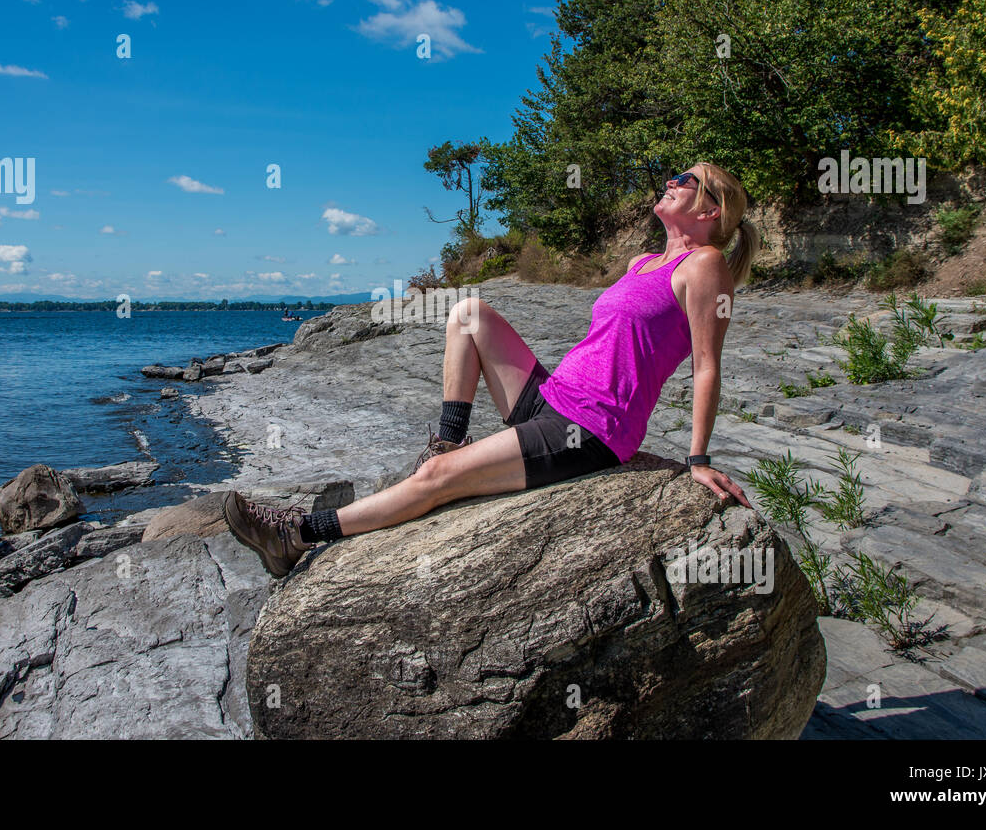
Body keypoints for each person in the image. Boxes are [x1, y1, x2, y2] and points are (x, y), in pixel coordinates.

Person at [227, 163, 759, 578]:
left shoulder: (705, 267)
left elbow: (708, 367)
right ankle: (448, 443)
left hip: (592, 428)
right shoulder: (640, 263)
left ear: (711, 211)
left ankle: (297, 534)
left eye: (685, 181)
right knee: (467, 314)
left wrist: (698, 460)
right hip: (552, 394)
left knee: (435, 483)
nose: (670, 182)